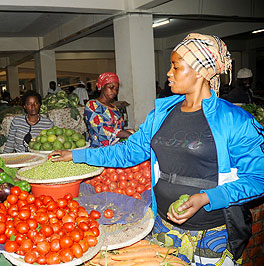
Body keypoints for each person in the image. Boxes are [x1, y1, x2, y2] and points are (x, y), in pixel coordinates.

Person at [51, 33, 264, 265]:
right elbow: (127, 151)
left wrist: (206, 198)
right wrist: (77, 154)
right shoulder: (161, 115)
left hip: (212, 232)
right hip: (163, 225)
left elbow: (258, 178)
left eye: (176, 67)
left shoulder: (235, 120)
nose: (168, 73)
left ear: (202, 72)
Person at [84, 72, 133, 147]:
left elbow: (118, 128)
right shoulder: (92, 105)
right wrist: (124, 133)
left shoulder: (114, 107)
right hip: (99, 149)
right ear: (102, 86)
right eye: (111, 87)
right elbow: (100, 129)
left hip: (115, 149)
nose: (114, 92)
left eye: (116, 89)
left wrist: (129, 132)